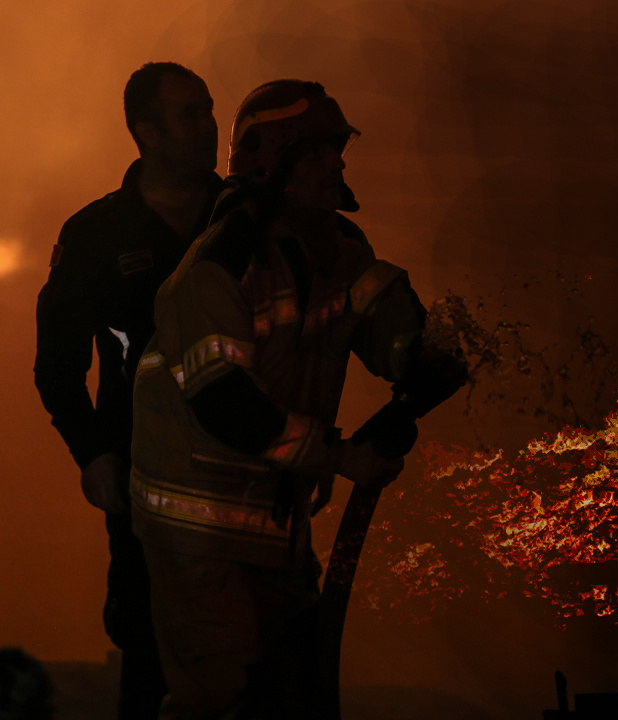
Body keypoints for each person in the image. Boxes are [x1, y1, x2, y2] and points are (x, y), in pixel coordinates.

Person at [128, 79, 468, 718]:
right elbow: (224, 401)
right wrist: (341, 456)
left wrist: (431, 349)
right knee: (218, 696)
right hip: (195, 524)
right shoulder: (220, 266)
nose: (335, 164)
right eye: (316, 152)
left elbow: (386, 327)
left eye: (336, 150)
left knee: (294, 691)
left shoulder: (338, 252)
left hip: (276, 516)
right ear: (271, 161)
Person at [34, 61, 223, 719]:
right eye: (188, 114)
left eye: (209, 109)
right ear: (146, 132)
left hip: (243, 473)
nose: (209, 128)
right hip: (144, 481)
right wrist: (94, 454)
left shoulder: (247, 225)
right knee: (150, 652)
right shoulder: (95, 235)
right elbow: (56, 367)